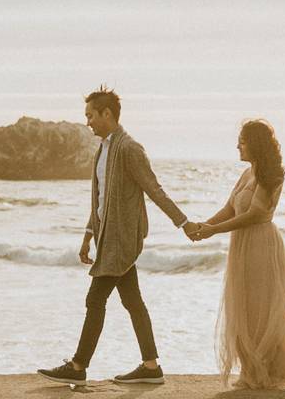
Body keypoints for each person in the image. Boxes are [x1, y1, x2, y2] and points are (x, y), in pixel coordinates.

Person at [37, 87, 200, 387]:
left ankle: (78, 366)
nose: (87, 122)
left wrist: (184, 223)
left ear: (107, 114)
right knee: (133, 301)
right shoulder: (103, 149)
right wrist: (88, 234)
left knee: (95, 299)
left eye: (90, 116)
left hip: (121, 241)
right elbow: (101, 199)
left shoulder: (129, 149)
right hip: (106, 238)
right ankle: (151, 367)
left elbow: (154, 189)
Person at [190, 119, 285, 389]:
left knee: (262, 307)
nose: (237, 146)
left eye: (242, 141)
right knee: (244, 306)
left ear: (255, 143)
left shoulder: (270, 173)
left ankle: (271, 368)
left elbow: (256, 213)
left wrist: (214, 230)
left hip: (260, 244)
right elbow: (230, 208)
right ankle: (253, 368)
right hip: (242, 245)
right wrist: (205, 227)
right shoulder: (247, 173)